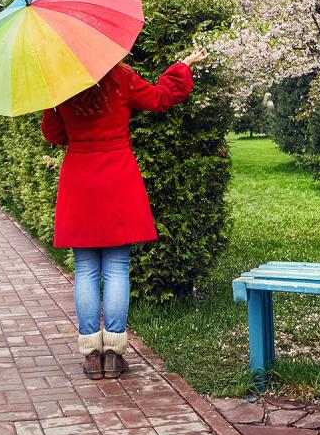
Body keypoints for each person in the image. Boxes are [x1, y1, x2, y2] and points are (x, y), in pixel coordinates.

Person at [40, 46, 209, 380]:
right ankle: (114, 356)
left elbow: (54, 136)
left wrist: (53, 103)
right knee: (117, 268)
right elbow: (161, 98)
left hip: (79, 181)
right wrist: (181, 66)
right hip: (118, 177)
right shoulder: (122, 77)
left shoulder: (62, 85)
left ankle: (91, 356)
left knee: (86, 269)